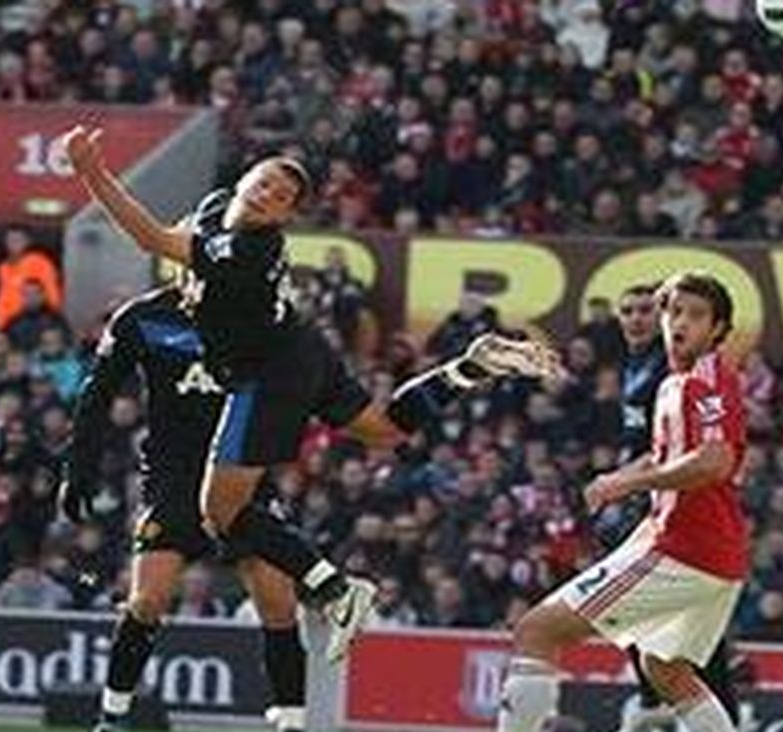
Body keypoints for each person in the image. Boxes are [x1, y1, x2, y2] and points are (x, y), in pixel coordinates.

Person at [61, 123, 562, 669]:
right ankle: (469, 367)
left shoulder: (246, 249)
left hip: (269, 375)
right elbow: (180, 239)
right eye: (266, 180)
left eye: (282, 196)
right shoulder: (215, 210)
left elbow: (152, 240)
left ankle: (334, 588)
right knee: (385, 430)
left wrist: (90, 171)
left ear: (283, 219)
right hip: (303, 346)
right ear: (245, 178)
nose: (269, 192)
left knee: (219, 512)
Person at [424, 273, 768, 732]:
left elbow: (715, 461)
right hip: (706, 551)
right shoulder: (675, 383)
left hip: (683, 548)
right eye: (674, 311)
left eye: (695, 315)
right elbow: (674, 456)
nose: (679, 323)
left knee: (538, 630)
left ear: (719, 327)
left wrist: (629, 481)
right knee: (666, 671)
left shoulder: (707, 379)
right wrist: (619, 479)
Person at [64, 285, 320, 732]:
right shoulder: (143, 319)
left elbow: (296, 385)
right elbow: (97, 393)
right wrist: (78, 468)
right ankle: (110, 724)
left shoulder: (260, 315)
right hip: (174, 479)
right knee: (148, 600)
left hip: (241, 475)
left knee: (278, 600)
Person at [599, 284, 746, 732]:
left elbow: (706, 454)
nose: (641, 319)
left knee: (552, 624)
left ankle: (676, 700)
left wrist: (626, 482)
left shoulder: (683, 370)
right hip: (654, 502)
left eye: (647, 309)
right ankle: (671, 700)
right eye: (630, 311)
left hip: (675, 507)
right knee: (661, 637)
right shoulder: (644, 369)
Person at [0, 227, 64, 331]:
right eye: (10, 240)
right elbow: (3, 297)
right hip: (8, 324)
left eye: (18, 240)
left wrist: (53, 319)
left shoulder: (39, 262)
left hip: (31, 323)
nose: (13, 244)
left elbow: (52, 293)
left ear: (27, 242)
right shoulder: (4, 268)